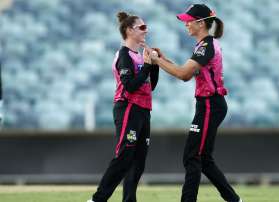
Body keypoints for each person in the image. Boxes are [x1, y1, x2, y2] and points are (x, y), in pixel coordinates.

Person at [147, 4, 243, 202]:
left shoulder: (206, 46)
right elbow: (186, 71)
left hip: (209, 105)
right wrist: (163, 59)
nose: (186, 24)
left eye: (188, 21)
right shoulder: (205, 45)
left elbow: (183, 75)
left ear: (200, 23)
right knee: (204, 160)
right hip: (210, 105)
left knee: (192, 156)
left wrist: (157, 61)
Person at [88, 11, 159, 202]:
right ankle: (97, 199)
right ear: (129, 30)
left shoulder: (138, 54)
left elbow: (149, 85)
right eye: (142, 27)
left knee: (139, 161)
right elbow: (129, 86)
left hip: (144, 109)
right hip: (128, 107)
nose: (146, 30)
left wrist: (154, 64)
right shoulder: (124, 55)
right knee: (125, 155)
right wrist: (146, 66)